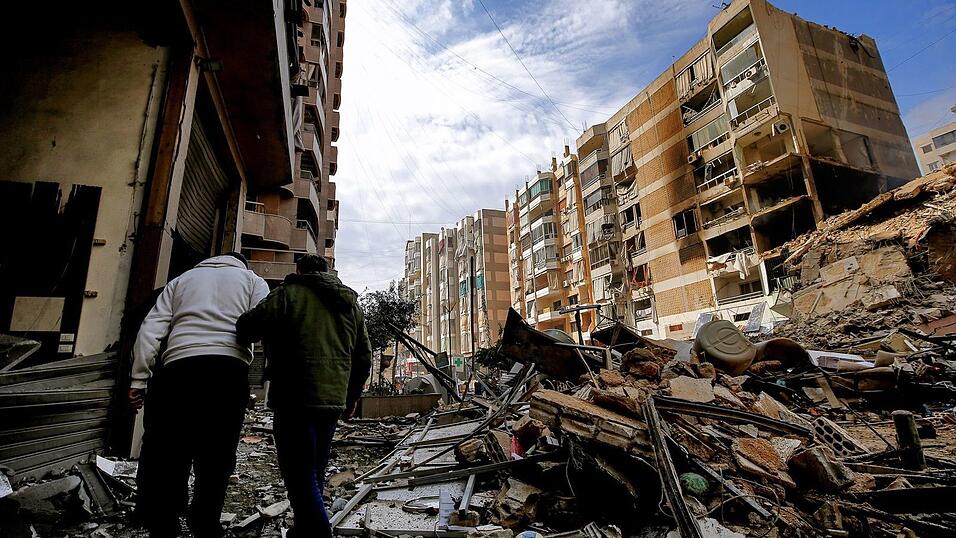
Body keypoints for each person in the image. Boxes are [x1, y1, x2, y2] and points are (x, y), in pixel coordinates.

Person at [129, 253, 269, 538]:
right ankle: (205, 521)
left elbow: (150, 330)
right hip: (228, 372)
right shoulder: (253, 280)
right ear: (242, 264)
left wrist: (138, 378)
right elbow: (263, 320)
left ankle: (165, 525)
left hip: (178, 369)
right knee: (218, 454)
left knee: (171, 451)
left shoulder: (181, 281)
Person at [236, 254, 372, 538]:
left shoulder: (287, 295)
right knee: (315, 469)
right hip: (332, 399)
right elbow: (363, 357)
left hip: (294, 396)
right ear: (327, 272)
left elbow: (247, 326)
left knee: (298, 474)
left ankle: (319, 533)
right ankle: (306, 530)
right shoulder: (350, 304)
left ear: (299, 270)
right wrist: (352, 396)